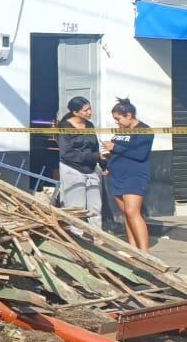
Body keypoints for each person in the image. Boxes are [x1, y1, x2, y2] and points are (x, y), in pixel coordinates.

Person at [103, 98, 153, 250]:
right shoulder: (121, 131)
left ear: (128, 115)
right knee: (126, 213)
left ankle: (144, 251)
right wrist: (108, 161)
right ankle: (133, 248)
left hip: (134, 176)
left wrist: (115, 148)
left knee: (133, 211)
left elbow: (140, 154)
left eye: (118, 119)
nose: (116, 123)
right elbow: (118, 151)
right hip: (117, 175)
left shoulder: (144, 130)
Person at [55, 95, 101, 217]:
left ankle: (97, 235)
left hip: (91, 170)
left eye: (90, 108)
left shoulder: (89, 125)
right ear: (75, 112)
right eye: (86, 110)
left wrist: (103, 164)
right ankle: (77, 235)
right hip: (72, 169)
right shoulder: (65, 127)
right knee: (76, 208)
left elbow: (95, 146)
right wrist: (94, 157)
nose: (89, 112)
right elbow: (66, 153)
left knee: (95, 207)